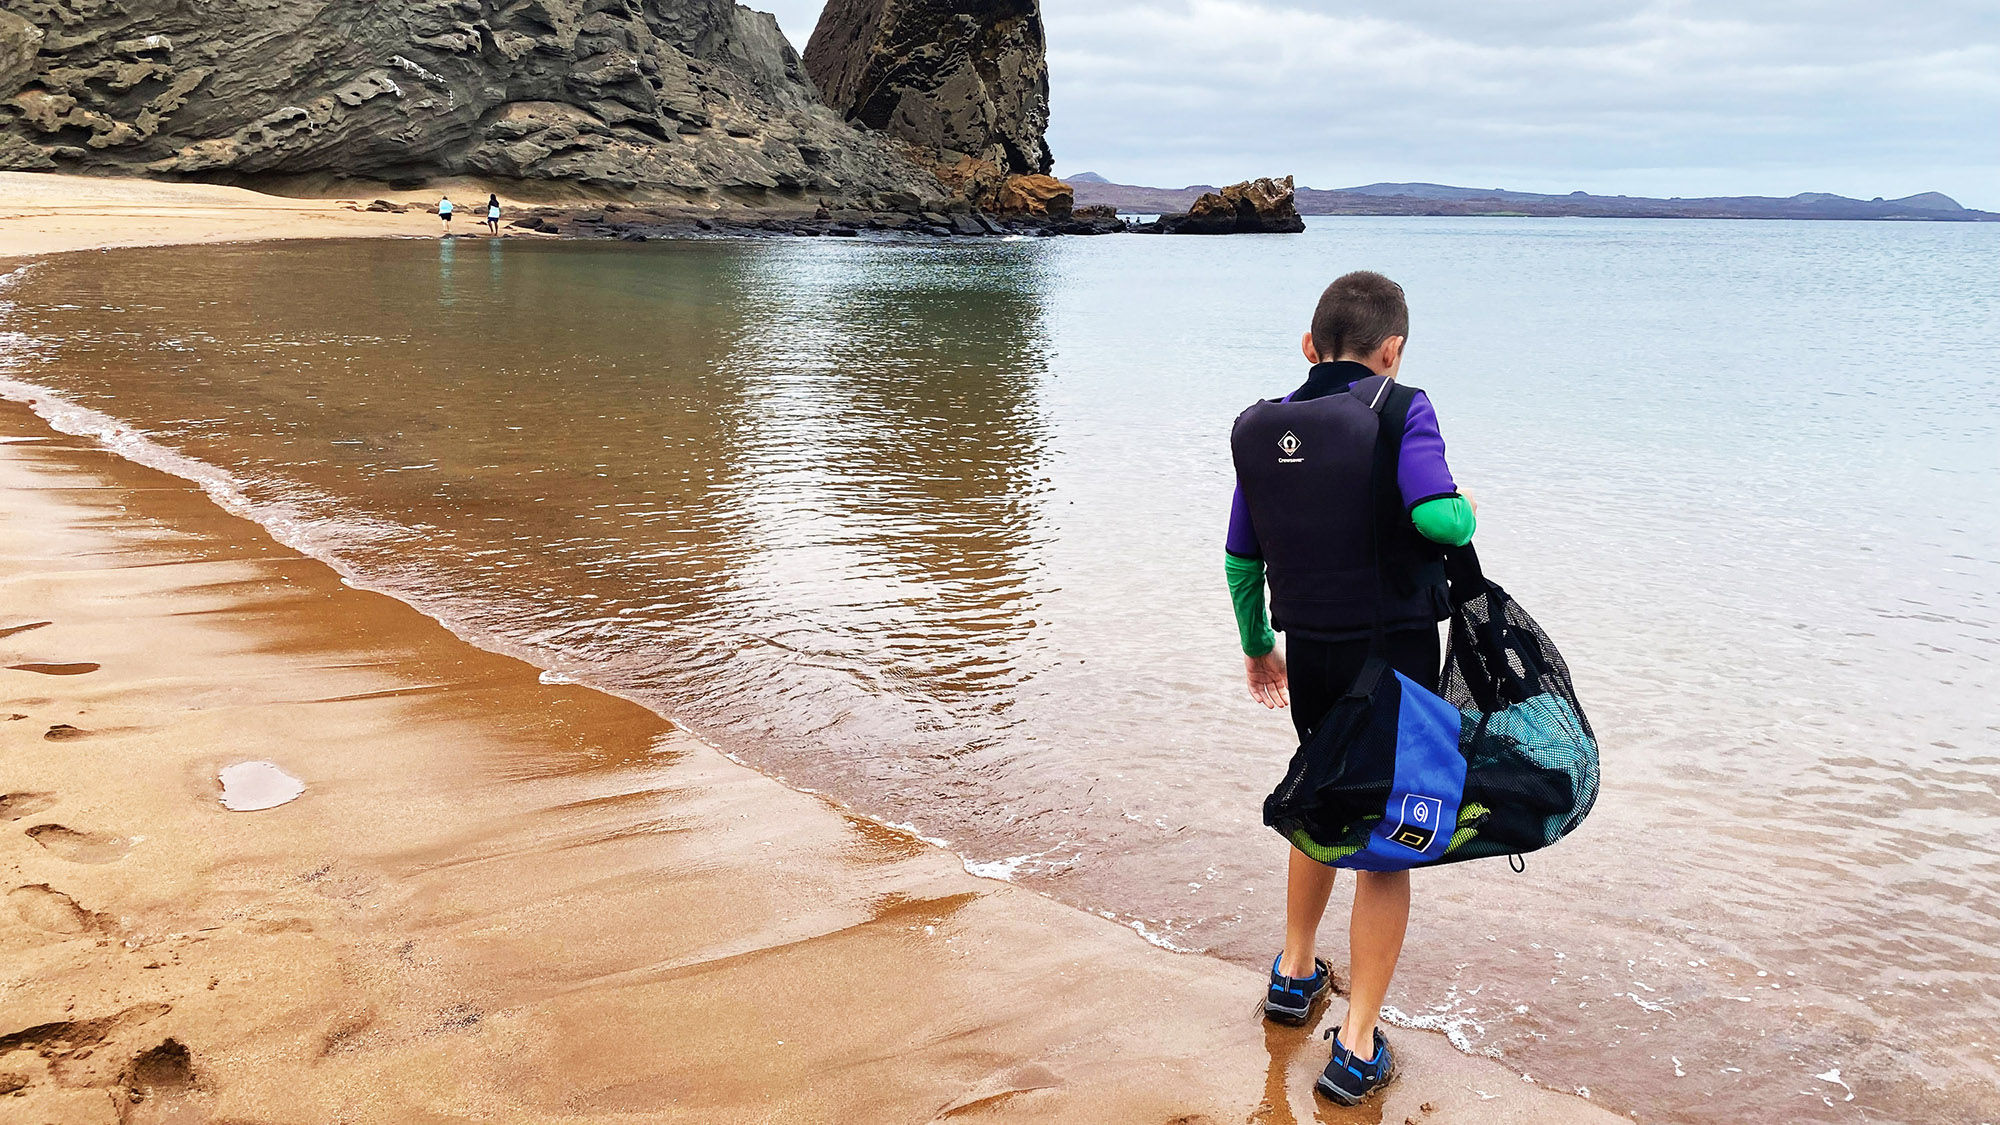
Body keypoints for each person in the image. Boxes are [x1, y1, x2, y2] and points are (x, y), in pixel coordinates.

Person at [1224, 270, 1477, 1105]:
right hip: (1391, 657)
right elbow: (1438, 517)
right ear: (1391, 351)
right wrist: (1466, 512)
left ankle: (1295, 974)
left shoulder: (1262, 427)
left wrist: (1260, 646)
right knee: (1386, 840)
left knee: (1319, 798)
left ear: (1311, 347)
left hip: (1315, 656)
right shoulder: (1404, 407)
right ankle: (1358, 1042)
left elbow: (1241, 556)